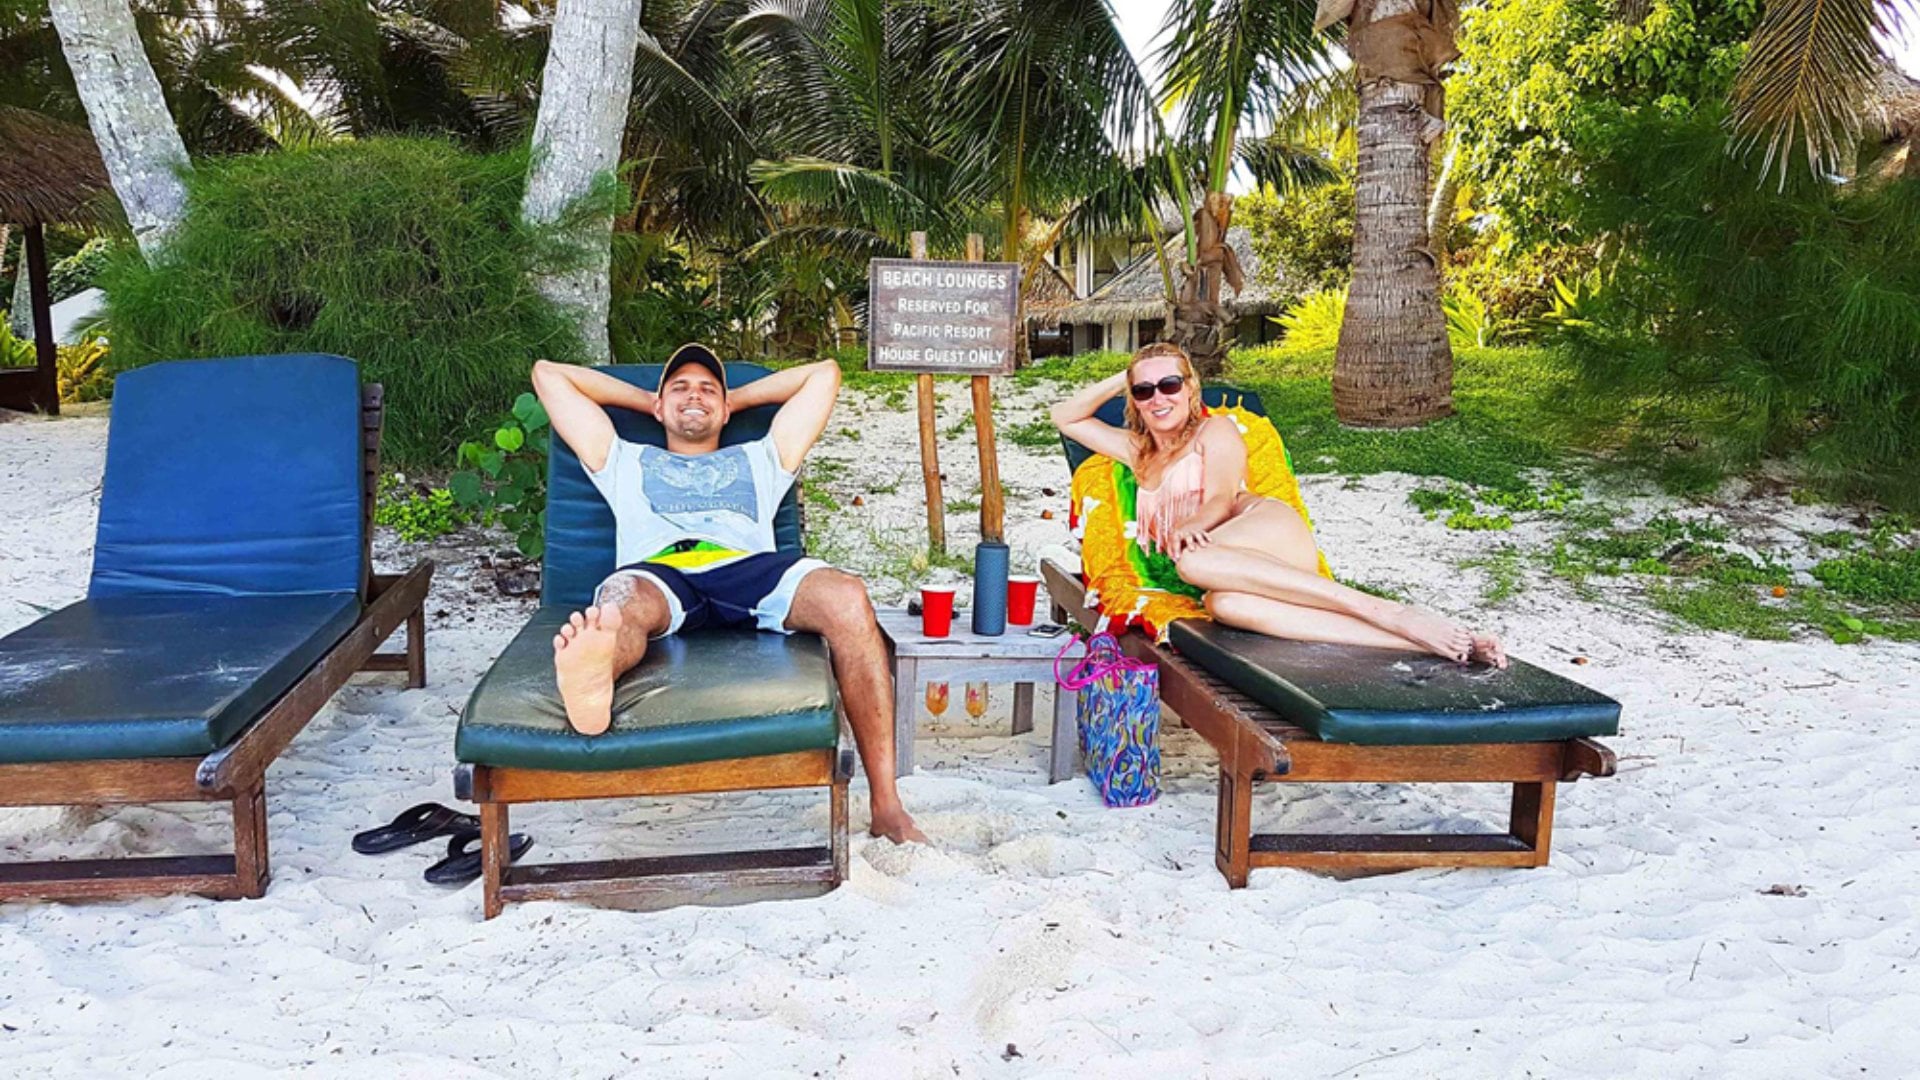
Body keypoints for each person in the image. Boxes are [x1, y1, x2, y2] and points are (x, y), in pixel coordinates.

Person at [530, 344, 925, 843]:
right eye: (680, 388)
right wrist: (648, 399)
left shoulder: (762, 457)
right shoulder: (622, 457)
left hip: (749, 567)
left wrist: (733, 398)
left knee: (847, 596)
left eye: (706, 390)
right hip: (660, 569)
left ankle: (887, 805)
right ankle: (592, 681)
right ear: (658, 407)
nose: (694, 395)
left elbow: (824, 374)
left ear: (725, 408)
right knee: (619, 605)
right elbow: (548, 373)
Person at [1050, 342, 1506, 667]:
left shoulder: (1215, 431)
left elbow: (1222, 497)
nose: (1158, 398)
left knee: (1193, 563)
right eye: (1144, 391)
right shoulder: (1137, 450)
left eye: (1169, 384)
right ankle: (1426, 643)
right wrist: (1129, 373)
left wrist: (1193, 525)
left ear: (1192, 389)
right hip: (1225, 571)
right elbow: (1064, 416)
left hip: (1265, 530)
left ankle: (1388, 611)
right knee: (1226, 606)